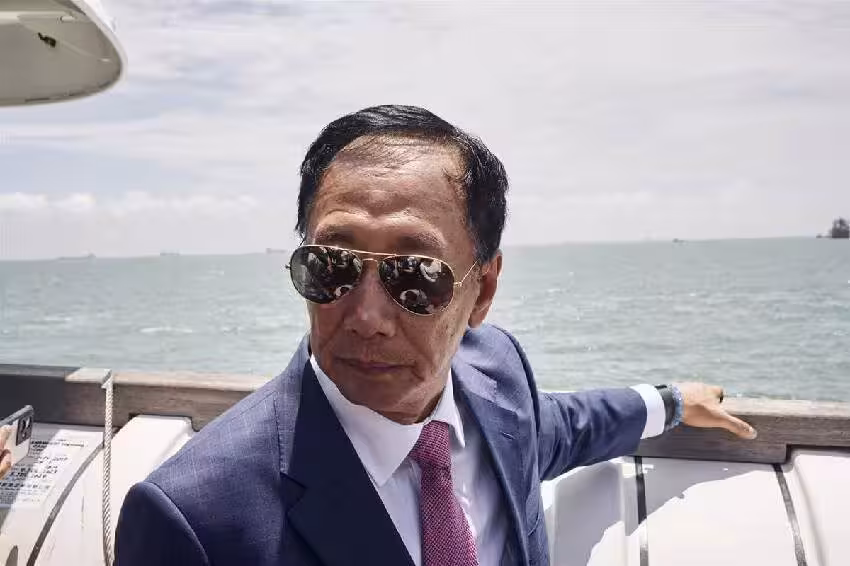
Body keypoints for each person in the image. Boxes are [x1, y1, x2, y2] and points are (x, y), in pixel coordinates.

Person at [113, 105, 757, 566]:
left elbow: (558, 429)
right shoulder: (196, 521)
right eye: (332, 266)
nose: (366, 316)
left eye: (415, 275)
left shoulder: (496, 373)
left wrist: (672, 402)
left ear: (484, 289)